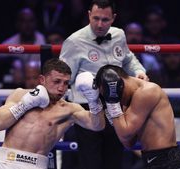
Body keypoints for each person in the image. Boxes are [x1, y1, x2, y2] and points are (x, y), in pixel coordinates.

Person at [59, 1, 148, 168]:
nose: (100, 24)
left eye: (105, 20)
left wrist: (138, 72)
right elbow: (64, 77)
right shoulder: (74, 41)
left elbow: (128, 59)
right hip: (87, 107)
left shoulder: (119, 35)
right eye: (96, 18)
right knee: (91, 160)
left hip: (116, 103)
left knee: (114, 157)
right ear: (88, 16)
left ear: (113, 18)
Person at [0, 58, 106, 169]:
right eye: (57, 81)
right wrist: (24, 105)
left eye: (66, 83)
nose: (61, 88)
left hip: (35, 165)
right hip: (5, 162)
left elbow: (97, 125)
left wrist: (94, 100)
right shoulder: (20, 95)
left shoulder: (69, 109)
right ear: (42, 80)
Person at [94, 64, 180, 169]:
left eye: (110, 94)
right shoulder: (129, 102)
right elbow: (128, 143)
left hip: (168, 161)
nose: (114, 98)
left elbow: (125, 133)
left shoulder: (147, 91)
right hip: (152, 160)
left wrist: (112, 103)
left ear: (118, 85)